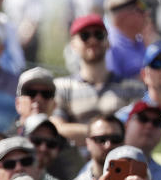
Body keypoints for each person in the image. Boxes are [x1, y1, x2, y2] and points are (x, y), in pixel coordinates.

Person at [52, 14, 146, 147]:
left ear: (108, 42)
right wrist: (111, 133)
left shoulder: (132, 87)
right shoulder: (62, 87)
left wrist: (79, 131)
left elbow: (137, 130)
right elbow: (57, 128)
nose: (93, 40)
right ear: (73, 45)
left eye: (98, 35)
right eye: (85, 36)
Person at [65, 114, 125, 180]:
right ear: (88, 143)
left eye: (115, 139)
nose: (108, 145)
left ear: (123, 142)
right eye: (101, 139)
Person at [103, 0, 149, 80]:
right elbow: (111, 86)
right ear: (123, 16)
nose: (146, 14)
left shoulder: (139, 41)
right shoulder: (110, 46)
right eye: (140, 10)